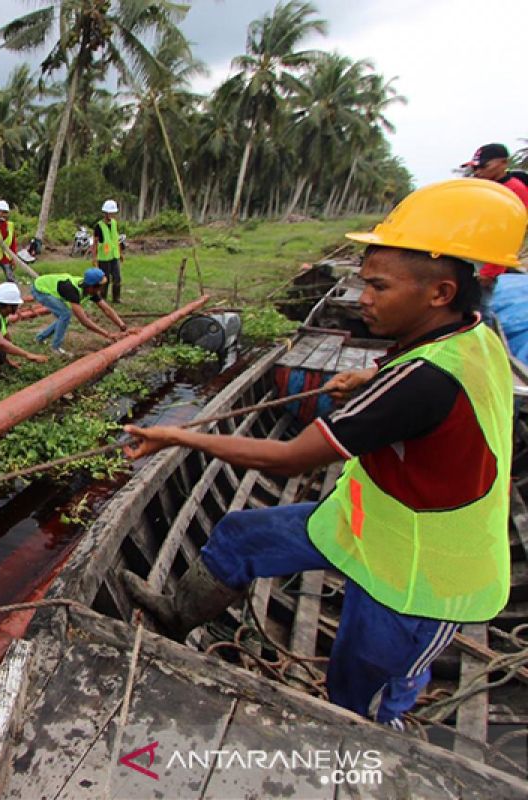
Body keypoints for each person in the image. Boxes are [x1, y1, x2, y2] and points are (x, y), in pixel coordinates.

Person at [120, 178, 527, 730]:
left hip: (420, 575)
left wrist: (176, 435)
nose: (364, 298)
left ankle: (371, 756)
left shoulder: (425, 382)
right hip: (367, 521)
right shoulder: (470, 334)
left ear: (440, 293)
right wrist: (368, 376)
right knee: (240, 537)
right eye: (365, 284)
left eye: (379, 287)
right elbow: (419, 376)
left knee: (358, 697)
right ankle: (174, 614)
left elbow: (288, 459)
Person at [460, 143, 528, 321]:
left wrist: (491, 270)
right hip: (473, 255)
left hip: (491, 260)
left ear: (503, 163)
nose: (478, 172)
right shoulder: (486, 188)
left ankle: (485, 344)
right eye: (475, 168)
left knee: (482, 308)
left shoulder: (515, 191)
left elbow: (509, 235)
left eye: (483, 166)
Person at [31, 268, 128, 356]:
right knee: (65, 314)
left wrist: (122, 326)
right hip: (40, 289)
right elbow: (84, 321)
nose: (101, 290)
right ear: (92, 286)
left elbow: (107, 309)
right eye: (100, 287)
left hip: (50, 288)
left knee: (64, 318)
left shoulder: (90, 290)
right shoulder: (72, 290)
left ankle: (39, 338)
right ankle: (55, 348)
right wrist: (107, 334)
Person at [92, 199, 124, 303]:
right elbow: (95, 243)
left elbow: (116, 239)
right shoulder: (99, 226)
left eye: (113, 213)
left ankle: (116, 298)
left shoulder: (114, 223)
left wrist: (120, 253)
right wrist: (94, 258)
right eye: (109, 213)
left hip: (114, 256)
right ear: (105, 213)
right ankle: (102, 298)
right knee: (105, 280)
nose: (111, 215)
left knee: (117, 278)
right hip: (104, 257)